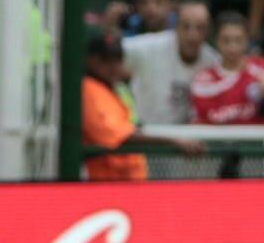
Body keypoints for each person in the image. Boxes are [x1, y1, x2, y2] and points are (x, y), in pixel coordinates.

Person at [83, 31, 203, 182]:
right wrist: (173, 140)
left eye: (117, 59)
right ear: (91, 60)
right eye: (106, 60)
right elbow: (122, 137)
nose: (113, 66)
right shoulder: (88, 89)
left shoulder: (114, 89)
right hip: (104, 183)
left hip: (126, 181)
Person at [123, 1, 218, 125]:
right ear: (176, 27)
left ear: (208, 31)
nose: (192, 35)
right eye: (186, 26)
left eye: (200, 28)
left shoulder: (213, 61)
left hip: (189, 137)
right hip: (146, 133)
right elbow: (109, 51)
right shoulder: (149, 47)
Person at [191, 12, 264, 124]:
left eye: (238, 40)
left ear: (247, 41)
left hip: (259, 140)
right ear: (216, 41)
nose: (233, 47)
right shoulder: (204, 80)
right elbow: (201, 122)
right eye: (226, 40)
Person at [102, 0, 176, 39]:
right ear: (137, 5)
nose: (150, 8)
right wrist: (111, 23)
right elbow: (118, 41)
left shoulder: (181, 27)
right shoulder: (132, 24)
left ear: (170, 5)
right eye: (144, 2)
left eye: (158, 2)